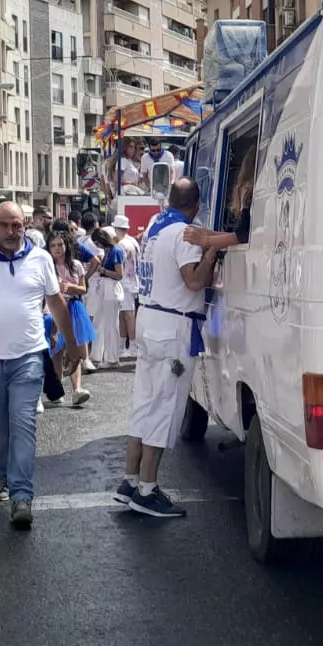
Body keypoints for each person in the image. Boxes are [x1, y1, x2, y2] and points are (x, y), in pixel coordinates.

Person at [0, 201, 80, 530]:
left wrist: (73, 345)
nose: (12, 232)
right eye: (5, 225)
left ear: (25, 226)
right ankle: (2, 471)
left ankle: (21, 495)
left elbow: (56, 302)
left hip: (28, 356)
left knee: (23, 424)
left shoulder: (40, 258)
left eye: (18, 225)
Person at [117, 179, 221, 518]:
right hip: (173, 327)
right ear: (196, 205)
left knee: (144, 402)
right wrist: (211, 253)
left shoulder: (155, 230)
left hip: (150, 320)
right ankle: (147, 489)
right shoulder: (184, 233)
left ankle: (130, 481)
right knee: (165, 406)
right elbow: (193, 281)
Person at [47, 232, 96, 404]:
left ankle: (77, 389)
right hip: (53, 310)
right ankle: (57, 388)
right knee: (57, 352)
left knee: (75, 350)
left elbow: (84, 289)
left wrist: (71, 287)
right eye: (53, 245)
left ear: (66, 245)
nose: (57, 249)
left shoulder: (76, 265)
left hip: (74, 308)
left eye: (60, 245)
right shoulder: (47, 266)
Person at [86, 226, 125, 369]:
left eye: (97, 242)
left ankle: (112, 358)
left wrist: (103, 271)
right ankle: (97, 355)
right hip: (105, 287)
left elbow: (119, 274)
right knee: (100, 321)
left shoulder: (116, 251)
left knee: (110, 325)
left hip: (111, 287)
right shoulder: (109, 251)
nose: (96, 245)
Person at [114, 215, 139, 346]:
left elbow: (120, 264)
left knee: (128, 313)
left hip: (125, 282)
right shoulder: (132, 241)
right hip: (132, 281)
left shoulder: (121, 244)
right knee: (124, 313)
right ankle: (124, 344)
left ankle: (133, 345)